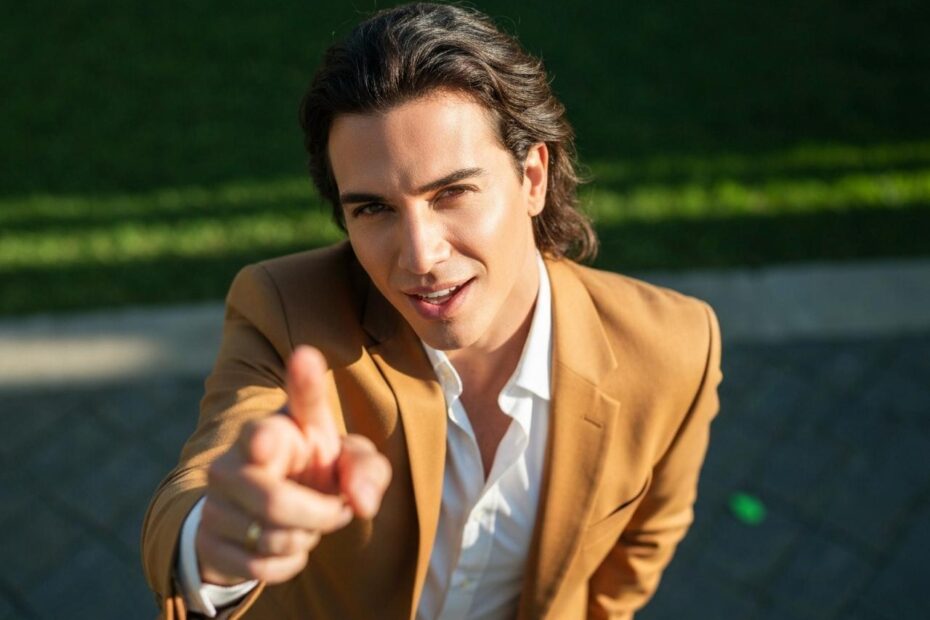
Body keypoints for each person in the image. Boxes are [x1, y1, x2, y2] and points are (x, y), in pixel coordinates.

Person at [142, 3, 722, 619]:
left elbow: (638, 552)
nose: (420, 256)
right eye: (374, 209)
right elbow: (203, 478)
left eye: (452, 193)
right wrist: (221, 538)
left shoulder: (676, 347)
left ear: (532, 177)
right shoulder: (283, 309)